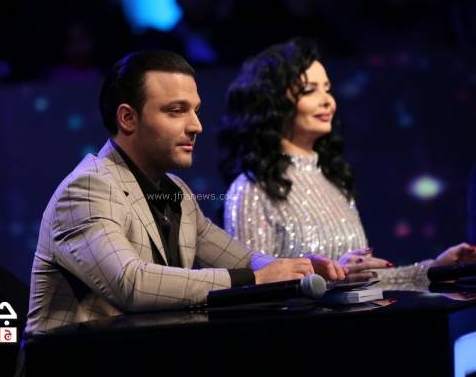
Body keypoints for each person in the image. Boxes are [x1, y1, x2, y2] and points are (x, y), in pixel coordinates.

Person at [25, 50, 346, 335]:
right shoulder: (87, 188)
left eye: (195, 110)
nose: (196, 126)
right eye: (176, 110)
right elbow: (131, 284)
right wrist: (256, 278)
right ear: (128, 118)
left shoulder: (177, 191)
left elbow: (244, 260)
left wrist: (293, 268)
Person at [219, 38, 476, 283]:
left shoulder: (333, 180)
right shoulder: (251, 190)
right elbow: (255, 290)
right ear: (273, 103)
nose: (327, 101)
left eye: (327, 89)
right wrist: (333, 278)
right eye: (309, 91)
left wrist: (434, 269)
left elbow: (365, 279)